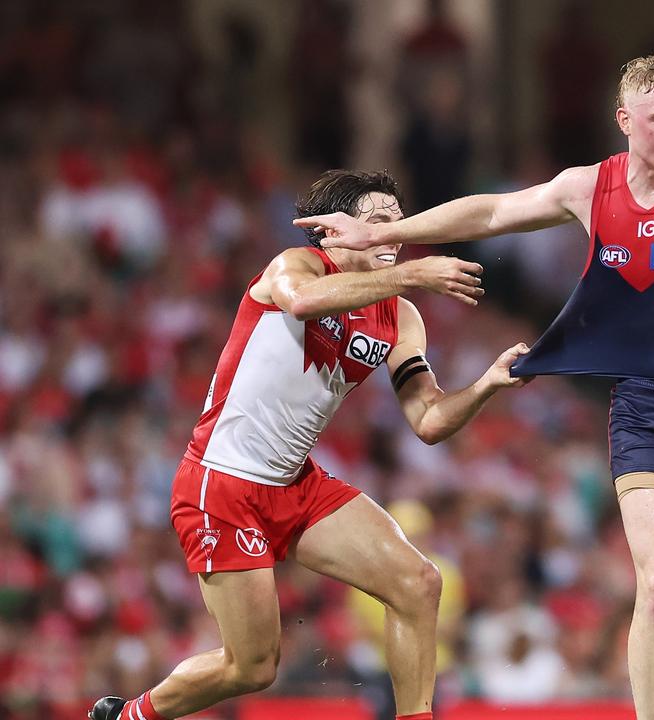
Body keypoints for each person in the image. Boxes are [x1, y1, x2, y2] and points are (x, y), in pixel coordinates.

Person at [294, 56, 654, 720]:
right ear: (625, 120)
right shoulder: (589, 188)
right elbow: (492, 212)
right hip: (647, 406)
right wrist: (388, 232)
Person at [89, 170, 529, 720]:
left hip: (296, 483)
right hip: (221, 483)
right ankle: (129, 716)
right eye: (377, 222)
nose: (395, 234)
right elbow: (301, 304)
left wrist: (486, 385)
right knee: (251, 667)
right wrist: (414, 274)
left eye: (399, 222)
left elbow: (430, 419)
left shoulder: (401, 317)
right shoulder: (293, 266)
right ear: (333, 231)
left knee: (418, 583)